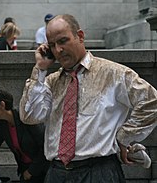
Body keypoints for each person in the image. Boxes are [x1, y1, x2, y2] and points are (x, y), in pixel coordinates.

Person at [19, 14, 157, 183]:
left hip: (99, 172)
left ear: (80, 36)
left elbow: (152, 102)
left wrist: (124, 137)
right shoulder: (51, 82)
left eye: (63, 41)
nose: (58, 50)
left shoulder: (113, 73)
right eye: (52, 45)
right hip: (57, 172)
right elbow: (30, 116)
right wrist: (39, 70)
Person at [0, 87, 49, 182]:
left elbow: (45, 146)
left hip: (43, 170)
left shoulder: (26, 118)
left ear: (2, 105)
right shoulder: (2, 124)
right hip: (25, 170)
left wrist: (31, 171)